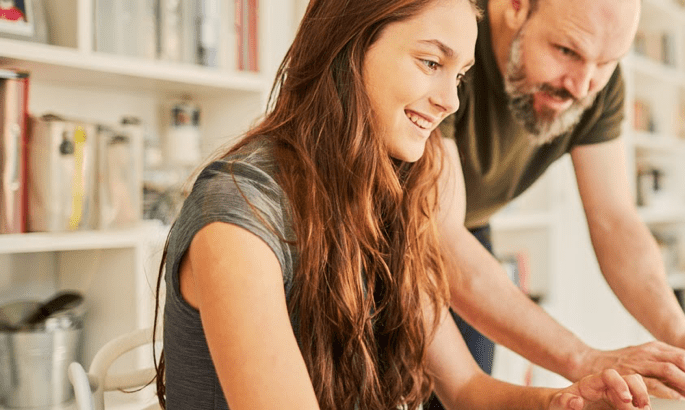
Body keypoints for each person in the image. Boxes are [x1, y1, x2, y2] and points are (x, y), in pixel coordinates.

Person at [150, 0, 654, 408]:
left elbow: (467, 391)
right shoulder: (240, 219)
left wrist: (560, 402)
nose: (451, 102)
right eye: (431, 63)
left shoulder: (394, 203)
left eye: (458, 76)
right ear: (349, 46)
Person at [430, 0, 685, 405]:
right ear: (516, 6)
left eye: (607, 62)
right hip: (398, 223)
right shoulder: (453, 42)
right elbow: (441, 236)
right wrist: (584, 359)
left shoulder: (597, 84)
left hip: (468, 226)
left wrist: (679, 335)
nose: (581, 87)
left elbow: (615, 221)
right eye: (566, 51)